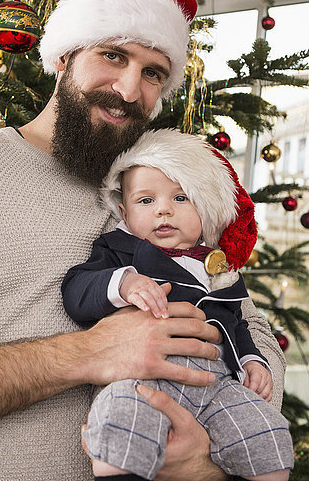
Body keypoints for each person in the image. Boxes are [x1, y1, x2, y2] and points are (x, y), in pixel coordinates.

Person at [0, 0, 286, 481]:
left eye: (153, 72)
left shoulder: (160, 182)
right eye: (113, 55)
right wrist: (88, 353)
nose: (129, 90)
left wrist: (203, 461)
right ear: (64, 57)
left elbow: (248, 325)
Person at [62, 129, 294, 481]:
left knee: (267, 432)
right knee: (121, 418)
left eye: (181, 198)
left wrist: (251, 360)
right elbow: (76, 289)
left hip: (216, 386)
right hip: (144, 377)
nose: (164, 210)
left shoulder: (218, 267)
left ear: (205, 209)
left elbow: (237, 322)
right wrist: (123, 282)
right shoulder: (118, 251)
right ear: (123, 213)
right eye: (146, 201)